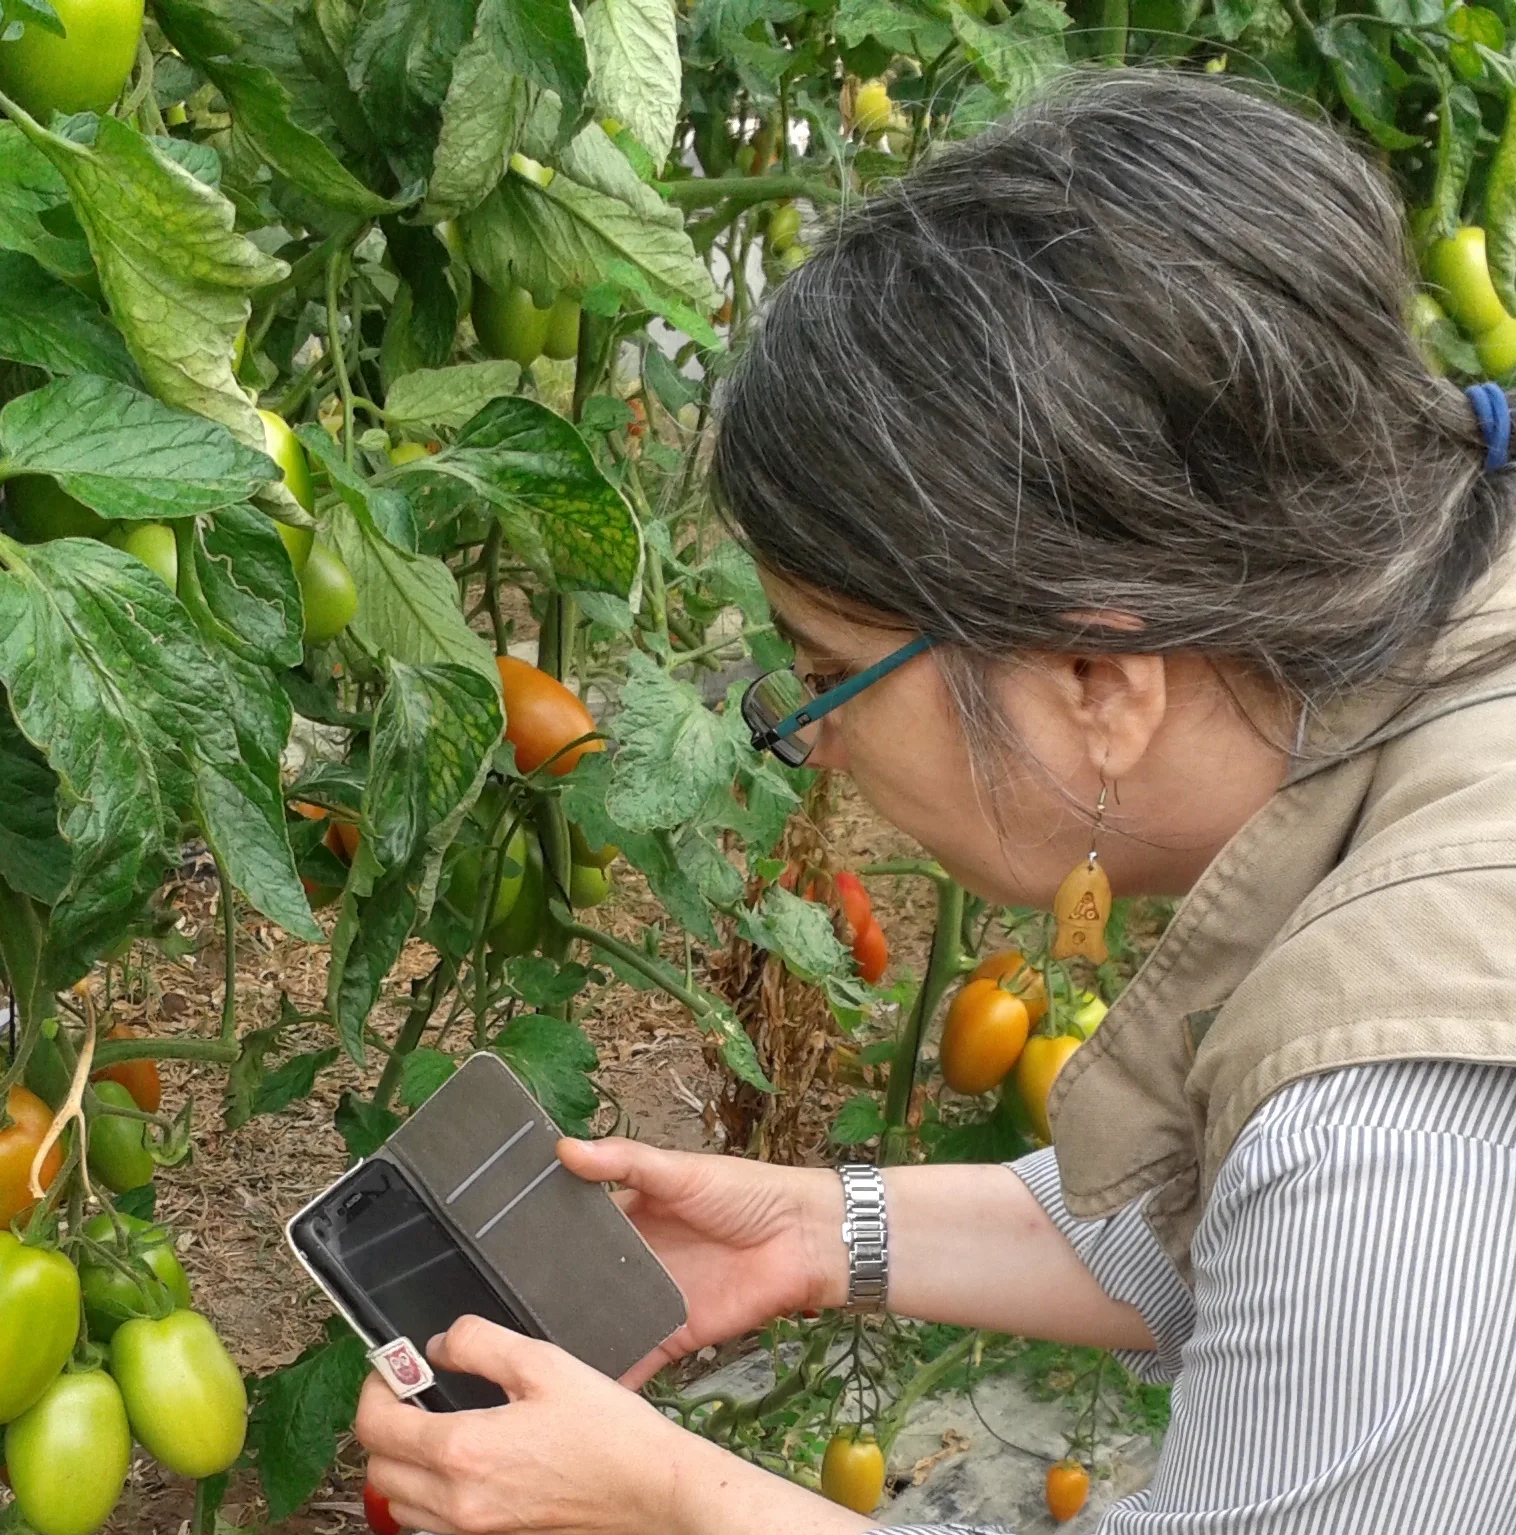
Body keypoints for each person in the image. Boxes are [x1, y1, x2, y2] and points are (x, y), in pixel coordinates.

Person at [354, 69, 1516, 1535]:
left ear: (1100, 674)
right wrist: (815, 1232)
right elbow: (1235, 1220)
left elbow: (1342, 1210)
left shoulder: (1402, 1123)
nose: (814, 743)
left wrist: (663, 1498)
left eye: (829, 673)